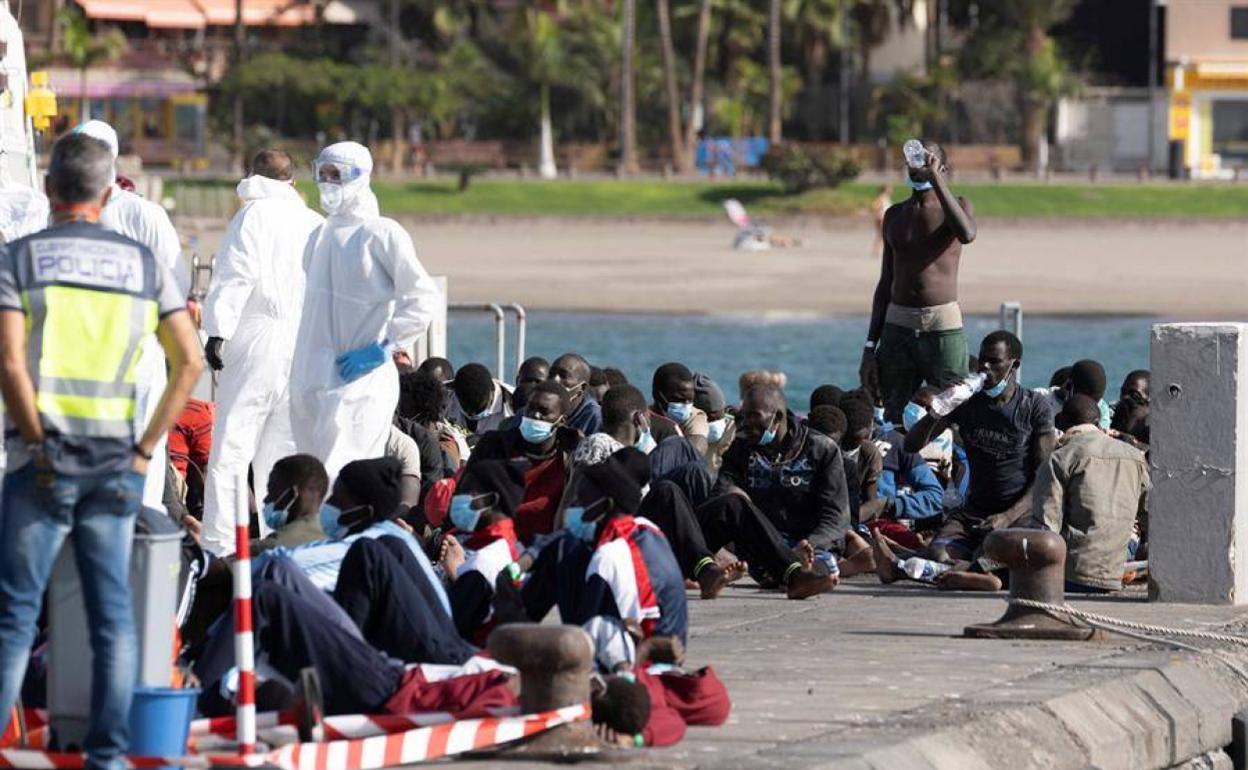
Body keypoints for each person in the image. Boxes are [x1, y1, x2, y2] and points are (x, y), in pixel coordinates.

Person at [0, 132, 203, 770]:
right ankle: (107, 756)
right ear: (109, 189)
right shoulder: (141, 264)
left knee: (14, 617)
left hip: (41, 462)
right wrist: (145, 451)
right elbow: (190, 361)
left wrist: (34, 440)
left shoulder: (19, 260)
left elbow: (9, 361)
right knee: (111, 617)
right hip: (116, 463)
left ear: (51, 189)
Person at [289, 142, 442, 481]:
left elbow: (422, 298)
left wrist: (384, 348)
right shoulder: (320, 235)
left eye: (336, 174)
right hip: (312, 380)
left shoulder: (381, 233)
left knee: (348, 483)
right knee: (312, 483)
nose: (327, 182)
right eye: (322, 173)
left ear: (360, 177)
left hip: (358, 384)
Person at [200, 150, 325, 556]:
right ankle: (285, 542)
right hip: (302, 347)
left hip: (258, 339)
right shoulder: (314, 222)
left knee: (232, 450)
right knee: (282, 454)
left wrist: (218, 330)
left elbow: (236, 274)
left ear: (251, 175)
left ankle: (221, 547)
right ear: (292, 180)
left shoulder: (252, 216)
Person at [74, 119, 186, 513]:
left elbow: (175, 280)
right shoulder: (63, 214)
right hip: (83, 356)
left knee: (143, 452)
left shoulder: (144, 215)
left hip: (138, 352)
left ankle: (143, 535)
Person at [905, 331, 1055, 564]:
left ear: (1014, 365)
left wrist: (1007, 517)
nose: (984, 367)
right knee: (939, 555)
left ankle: (969, 569)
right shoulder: (967, 402)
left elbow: (1043, 476)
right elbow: (912, 445)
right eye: (983, 359)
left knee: (996, 559)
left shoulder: (1033, 406)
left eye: (994, 361)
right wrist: (940, 408)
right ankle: (968, 570)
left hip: (1019, 514)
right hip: (974, 513)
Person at [860, 140, 977, 424]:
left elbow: (967, 234)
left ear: (942, 167)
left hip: (942, 322)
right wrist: (868, 347)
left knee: (953, 406)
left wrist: (937, 179)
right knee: (893, 411)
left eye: (929, 160)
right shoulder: (895, 215)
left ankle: (949, 466)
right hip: (897, 322)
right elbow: (886, 280)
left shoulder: (958, 206)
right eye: (914, 159)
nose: (919, 164)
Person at [715, 384, 850, 581]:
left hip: (809, 542)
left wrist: (809, 544)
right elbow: (721, 493)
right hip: (763, 542)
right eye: (744, 416)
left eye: (754, 416)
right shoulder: (741, 448)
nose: (745, 424)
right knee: (761, 567)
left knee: (823, 564)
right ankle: (789, 571)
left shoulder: (821, 449)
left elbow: (836, 517)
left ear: (777, 418)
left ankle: (798, 569)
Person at [1031, 395, 1150, 593]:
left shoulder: (1060, 458)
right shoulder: (1134, 456)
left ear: (1061, 423)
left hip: (1072, 576)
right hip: (1118, 570)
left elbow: (1046, 529)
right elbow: (1151, 516)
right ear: (1097, 422)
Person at [468, 381, 576, 542]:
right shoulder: (493, 445)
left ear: (561, 420)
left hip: (539, 553)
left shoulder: (569, 460)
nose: (535, 415)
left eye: (544, 412)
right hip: (490, 542)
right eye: (531, 408)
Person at [438, 460, 526, 643]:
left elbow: (446, 630)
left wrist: (458, 575)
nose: (458, 497)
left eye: (468, 491)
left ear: (492, 499)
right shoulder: (512, 544)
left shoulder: (482, 563)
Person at [254, 454, 330, 555]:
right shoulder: (334, 542)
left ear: (292, 494)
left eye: (272, 492)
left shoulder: (272, 547)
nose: (266, 500)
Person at [651, 363, 709, 457]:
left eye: (690, 400)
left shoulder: (695, 417)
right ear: (659, 396)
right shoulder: (646, 417)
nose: (686, 405)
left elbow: (698, 448)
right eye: (678, 400)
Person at [446, 362, 514, 436]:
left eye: (478, 408)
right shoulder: (443, 396)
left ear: (492, 392)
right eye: (466, 408)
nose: (472, 414)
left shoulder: (513, 404)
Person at [549, 352, 602, 435]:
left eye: (563, 376)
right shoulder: (537, 405)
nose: (555, 380)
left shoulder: (595, 417)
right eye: (551, 374)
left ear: (582, 387)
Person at [695, 373, 734, 474]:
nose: (715, 424)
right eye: (710, 419)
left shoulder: (734, 431)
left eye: (720, 417)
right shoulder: (678, 434)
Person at [1067, 359, 1112, 430]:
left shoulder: (1102, 408)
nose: (1089, 406)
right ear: (1069, 386)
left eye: (1096, 401)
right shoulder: (1049, 402)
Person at [869, 183, 892, 258]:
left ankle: (876, 251)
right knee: (883, 235)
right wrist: (879, 212)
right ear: (886, 189)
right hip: (881, 218)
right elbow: (874, 206)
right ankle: (878, 252)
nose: (891, 190)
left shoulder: (885, 197)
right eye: (889, 188)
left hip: (884, 218)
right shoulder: (882, 197)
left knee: (881, 236)